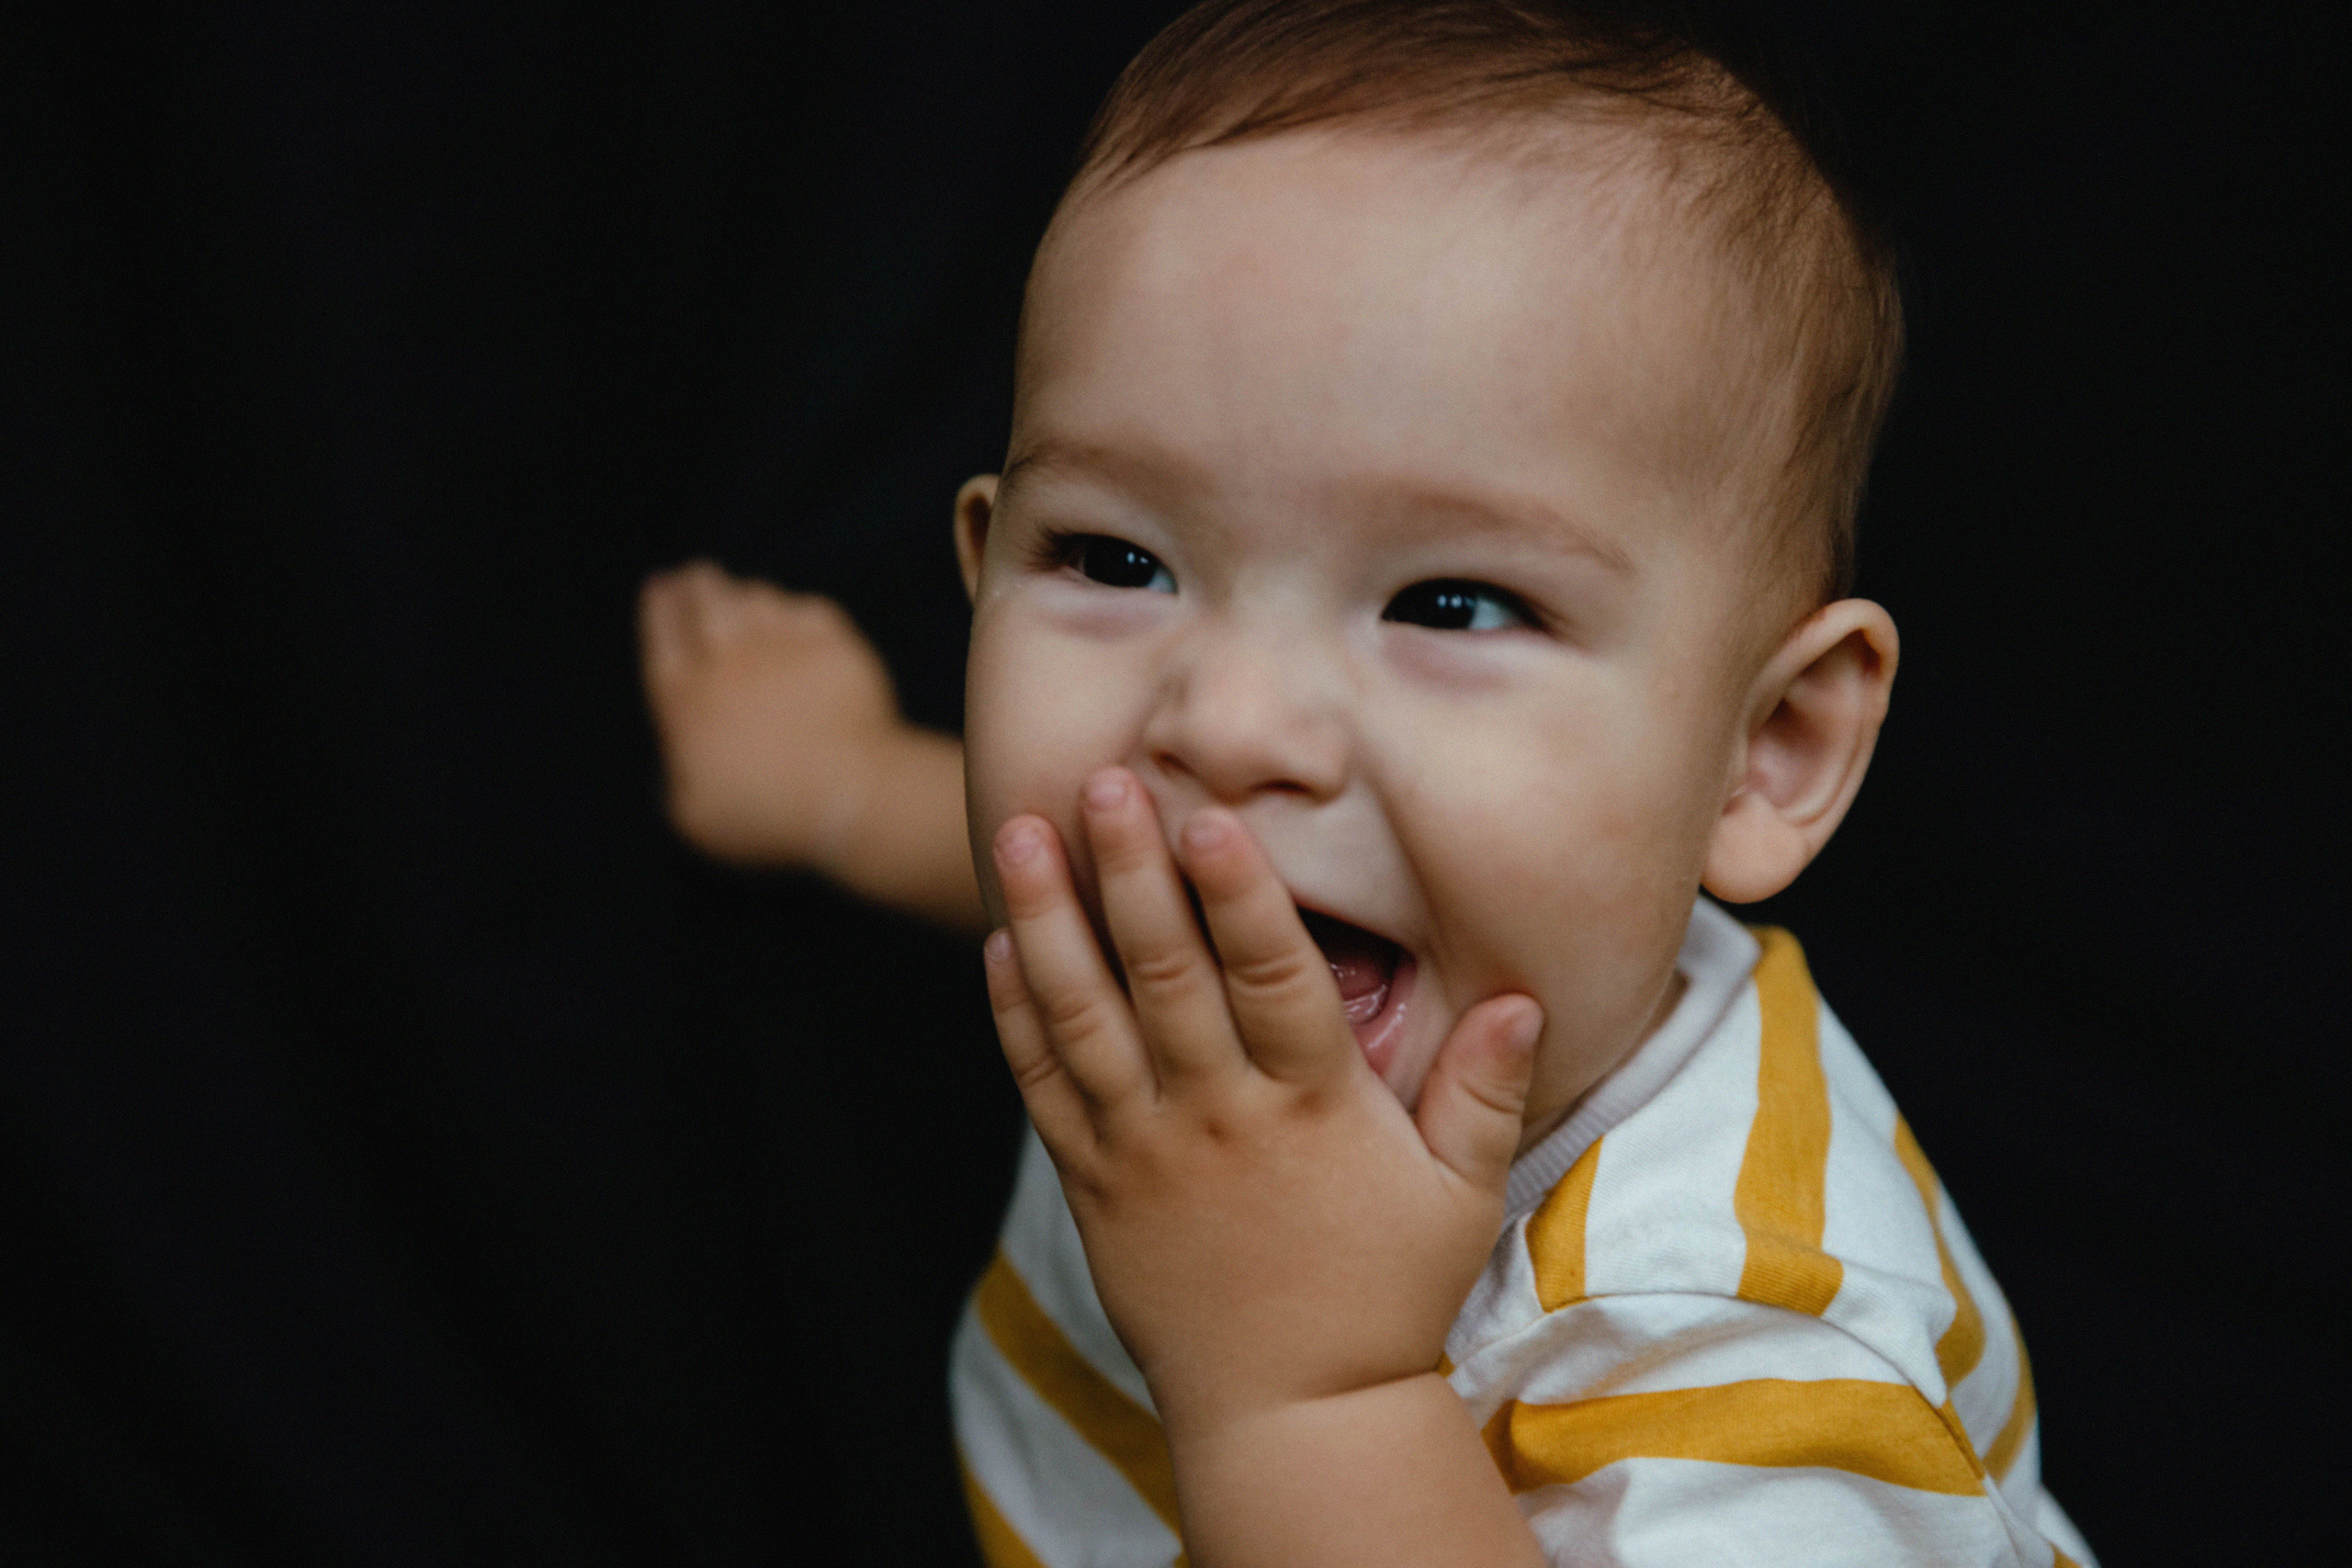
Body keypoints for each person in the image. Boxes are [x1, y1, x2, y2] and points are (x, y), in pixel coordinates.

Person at [640, 2, 2095, 1562]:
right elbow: (1084, 878)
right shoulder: (1259, 933)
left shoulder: (1737, 1342)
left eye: (1451, 605)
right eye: (1118, 560)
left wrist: (1306, 1388)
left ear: (1769, 750)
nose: (1231, 722)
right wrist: (853, 792)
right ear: (983, 571)